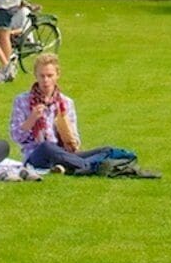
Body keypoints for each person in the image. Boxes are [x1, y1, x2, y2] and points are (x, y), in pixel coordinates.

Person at [12, 54, 149, 176]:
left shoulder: (65, 103)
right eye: (42, 76)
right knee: (47, 147)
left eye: (50, 75)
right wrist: (31, 119)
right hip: (37, 155)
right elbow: (16, 137)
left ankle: (70, 166)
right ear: (35, 76)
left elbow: (75, 137)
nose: (45, 80)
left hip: (65, 153)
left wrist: (72, 141)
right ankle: (90, 166)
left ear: (57, 75)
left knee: (107, 150)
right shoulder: (23, 101)